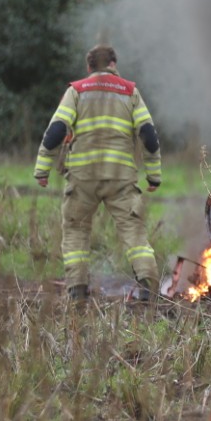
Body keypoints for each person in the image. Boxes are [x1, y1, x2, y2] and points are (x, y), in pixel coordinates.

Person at [34, 44, 162, 304]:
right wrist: (153, 175)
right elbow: (148, 135)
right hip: (121, 178)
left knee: (76, 231)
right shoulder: (130, 91)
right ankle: (149, 288)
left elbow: (56, 130)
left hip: (83, 178)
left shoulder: (77, 91)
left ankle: (77, 292)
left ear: (89, 67)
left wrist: (42, 169)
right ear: (113, 64)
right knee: (134, 233)